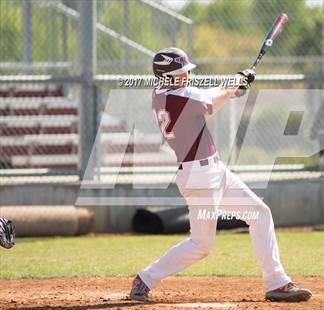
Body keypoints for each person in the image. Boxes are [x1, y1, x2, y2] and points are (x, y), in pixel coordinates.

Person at [130, 47, 312, 302]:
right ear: (168, 77)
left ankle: (277, 282)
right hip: (200, 177)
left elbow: (212, 98)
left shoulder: (160, 94)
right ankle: (145, 279)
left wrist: (233, 88)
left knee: (259, 213)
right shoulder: (179, 97)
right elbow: (212, 99)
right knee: (200, 245)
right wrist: (237, 80)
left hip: (213, 171)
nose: (187, 75)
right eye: (181, 72)